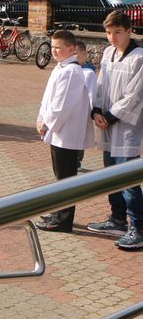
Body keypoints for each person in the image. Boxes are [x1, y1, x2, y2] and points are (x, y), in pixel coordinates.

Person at [86, 11, 143, 250]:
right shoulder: (108, 53)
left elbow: (134, 95)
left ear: (129, 31)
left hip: (127, 125)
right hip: (107, 124)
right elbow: (100, 85)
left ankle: (138, 228)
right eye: (109, 32)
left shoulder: (139, 57)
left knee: (127, 178)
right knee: (111, 176)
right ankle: (117, 219)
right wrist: (96, 110)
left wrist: (109, 116)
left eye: (117, 32)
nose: (112, 37)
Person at [35, 30, 95, 233]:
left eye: (58, 47)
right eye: (52, 47)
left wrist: (47, 124)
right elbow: (48, 98)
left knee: (66, 177)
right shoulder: (60, 67)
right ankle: (58, 213)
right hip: (58, 131)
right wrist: (41, 117)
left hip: (66, 132)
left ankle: (64, 220)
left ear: (71, 49)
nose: (54, 51)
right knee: (60, 175)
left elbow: (61, 105)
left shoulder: (72, 71)